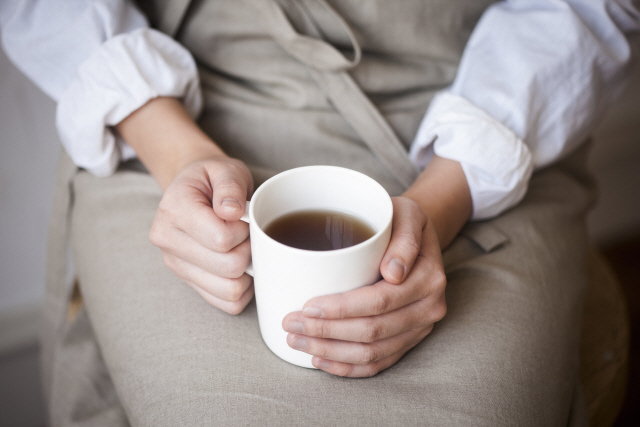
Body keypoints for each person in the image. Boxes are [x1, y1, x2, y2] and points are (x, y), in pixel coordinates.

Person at [1, 0, 639, 425]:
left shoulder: (484, 144)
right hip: (170, 111)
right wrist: (179, 154)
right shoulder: (167, 131)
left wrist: (439, 206)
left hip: (485, 124)